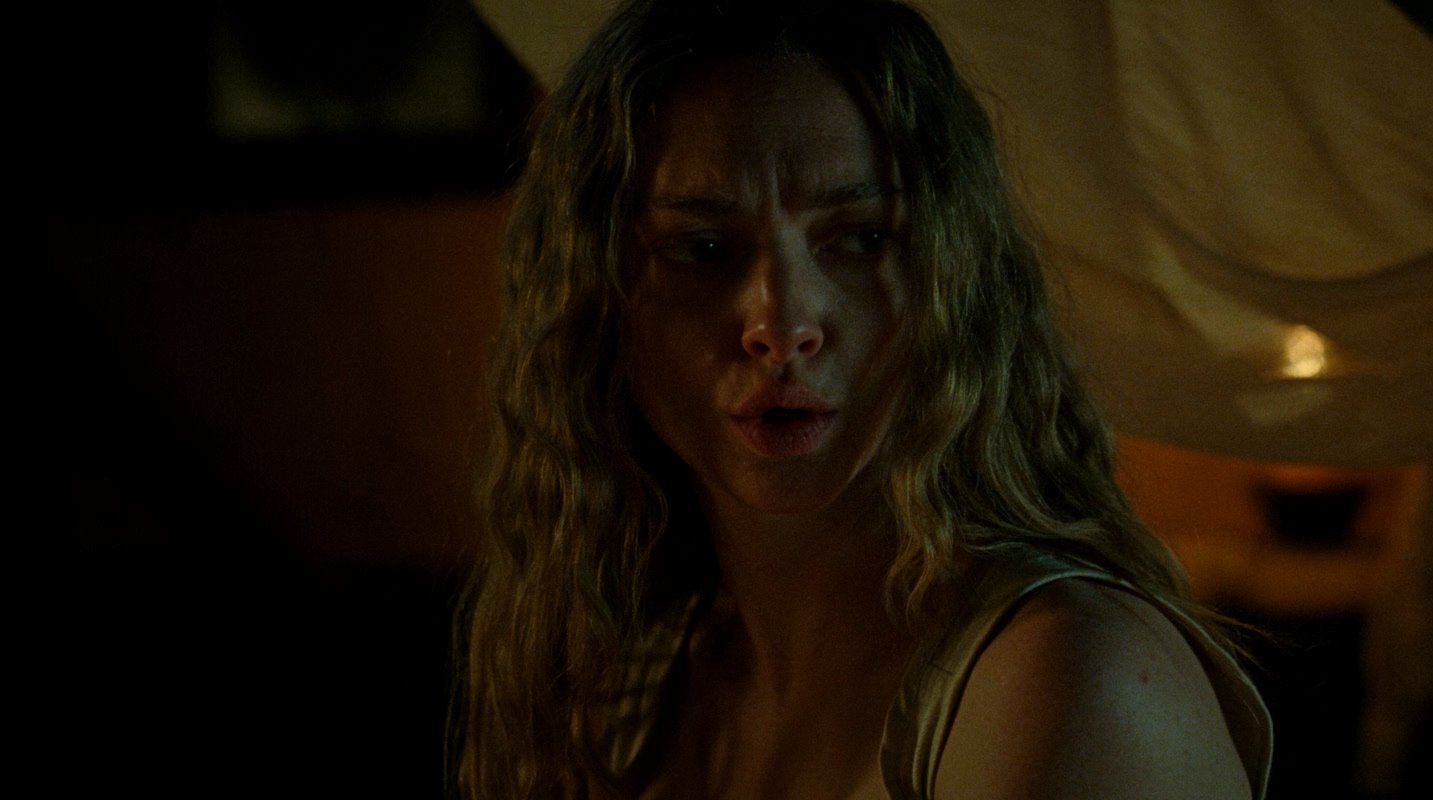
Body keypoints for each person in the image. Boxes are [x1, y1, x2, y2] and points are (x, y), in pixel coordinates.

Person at [455, 0, 1272, 796]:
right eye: (702, 249)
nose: (783, 327)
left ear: (951, 276)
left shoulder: (1066, 677)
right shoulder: (624, 684)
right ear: (595, 302)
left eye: (861, 239)